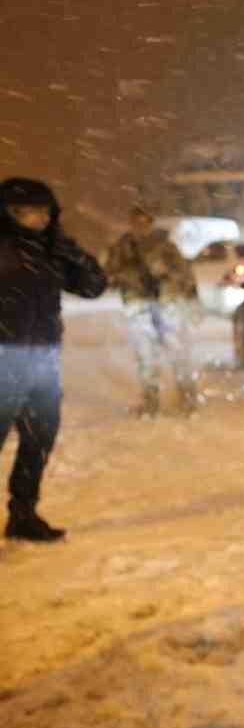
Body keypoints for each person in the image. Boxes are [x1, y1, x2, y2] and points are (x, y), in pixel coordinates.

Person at [0, 177, 107, 541]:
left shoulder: (50, 250)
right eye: (28, 212)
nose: (38, 219)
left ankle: (23, 514)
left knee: (38, 438)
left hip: (42, 360)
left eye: (44, 212)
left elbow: (94, 287)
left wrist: (72, 253)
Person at [104, 206, 201, 417]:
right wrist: (129, 275)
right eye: (137, 222)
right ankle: (151, 402)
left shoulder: (165, 246)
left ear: (150, 223)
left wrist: (167, 275)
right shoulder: (123, 247)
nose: (140, 227)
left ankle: (188, 399)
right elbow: (110, 274)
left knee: (178, 352)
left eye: (144, 222)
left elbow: (184, 273)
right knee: (145, 355)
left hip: (167, 302)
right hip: (138, 303)